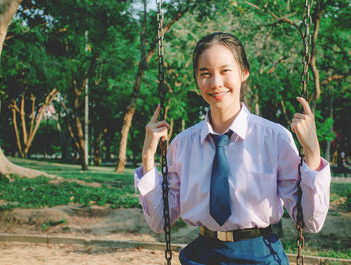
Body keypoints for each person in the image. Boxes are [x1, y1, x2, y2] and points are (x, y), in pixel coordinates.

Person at [134, 32, 331, 265]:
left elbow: (311, 223)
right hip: (202, 255)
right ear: (197, 80)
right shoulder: (183, 145)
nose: (216, 83)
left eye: (225, 71)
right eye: (205, 73)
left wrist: (312, 153)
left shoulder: (274, 138)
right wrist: (148, 158)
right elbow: (159, 222)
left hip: (260, 254)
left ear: (244, 72)